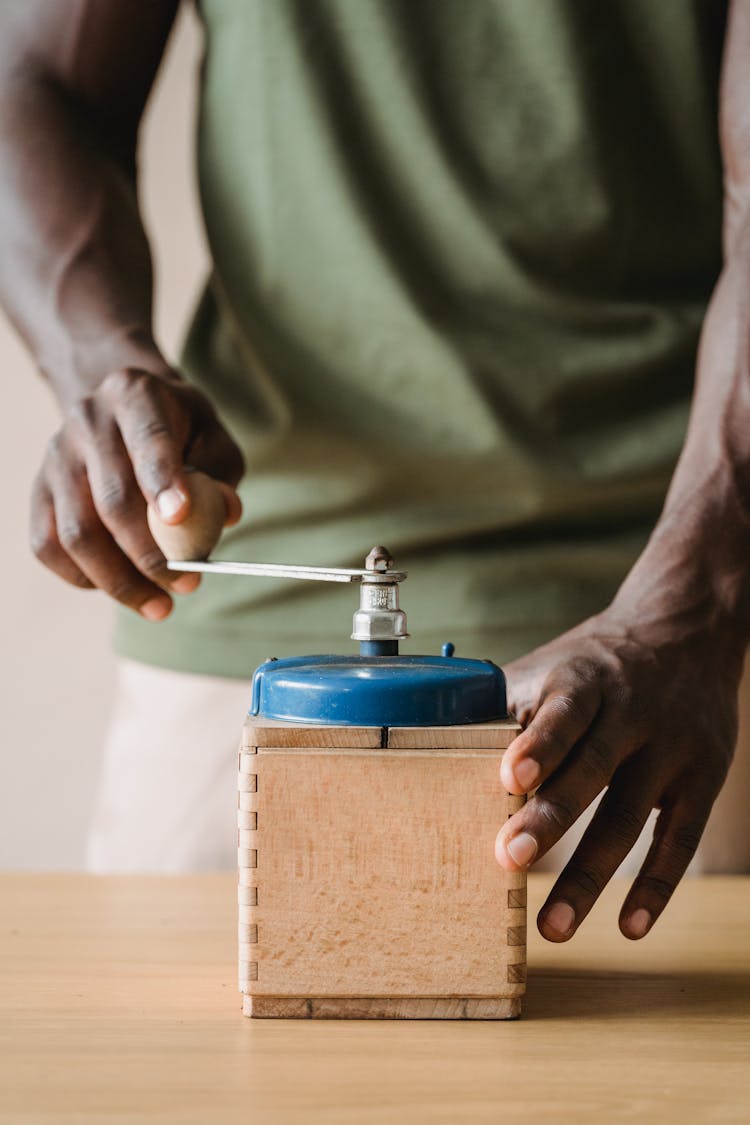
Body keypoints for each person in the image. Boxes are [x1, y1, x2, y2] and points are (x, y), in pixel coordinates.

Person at [1, 0, 748, 944]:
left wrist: (701, 596)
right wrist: (102, 369)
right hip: (243, 679)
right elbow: (40, 82)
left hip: (670, 668)